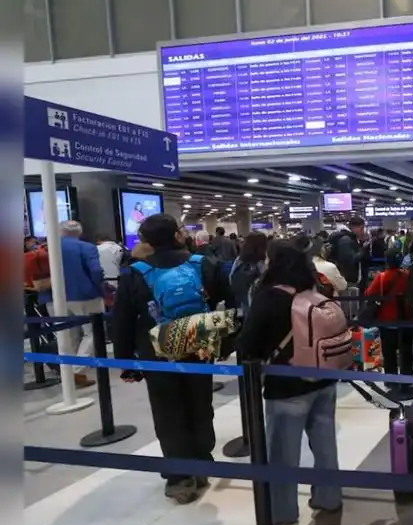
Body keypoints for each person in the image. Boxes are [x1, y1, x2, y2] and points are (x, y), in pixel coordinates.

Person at [112, 214, 232, 504]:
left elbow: (122, 320)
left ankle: (180, 478)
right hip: (199, 342)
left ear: (146, 241)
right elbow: (228, 300)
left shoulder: (134, 272)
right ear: (178, 235)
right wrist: (223, 342)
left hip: (155, 350)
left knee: (168, 411)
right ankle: (202, 462)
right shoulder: (202, 263)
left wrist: (126, 361)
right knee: (200, 403)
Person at [238, 240, 343, 525]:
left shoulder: (269, 297)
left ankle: (282, 512)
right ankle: (329, 497)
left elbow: (248, 343)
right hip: (324, 381)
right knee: (325, 445)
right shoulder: (314, 292)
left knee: (283, 454)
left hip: (286, 387)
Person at [55, 221, 106, 388]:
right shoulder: (87, 247)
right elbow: (96, 271)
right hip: (86, 295)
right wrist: (101, 289)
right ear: (79, 232)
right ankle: (78, 370)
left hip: (56, 296)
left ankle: (67, 373)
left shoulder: (48, 247)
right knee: (92, 332)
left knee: (66, 335)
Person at [365, 248, 413, 400]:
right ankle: (407, 380)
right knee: (406, 352)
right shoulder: (407, 275)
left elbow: (369, 293)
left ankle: (391, 381)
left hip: (387, 320)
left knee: (389, 353)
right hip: (405, 320)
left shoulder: (381, 277)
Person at [229, 231, 268, 315]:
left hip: (242, 298)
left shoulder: (240, 259)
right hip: (258, 301)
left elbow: (231, 276)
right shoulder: (263, 261)